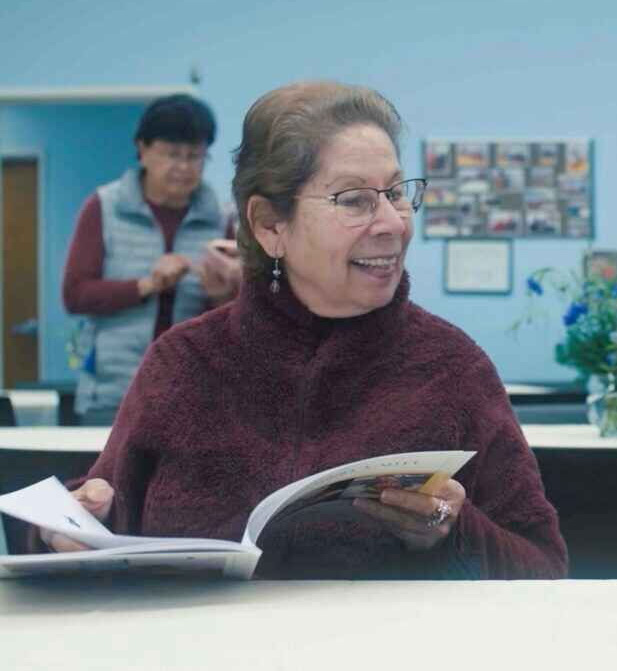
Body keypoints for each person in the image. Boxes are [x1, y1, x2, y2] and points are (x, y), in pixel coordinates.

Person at [36, 82, 567, 580]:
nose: (393, 223)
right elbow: (98, 515)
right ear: (270, 225)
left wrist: (453, 531)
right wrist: (64, 529)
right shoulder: (183, 363)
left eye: (397, 193)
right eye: (355, 199)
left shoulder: (452, 366)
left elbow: (544, 565)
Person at [63, 94, 241, 425]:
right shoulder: (104, 206)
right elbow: (75, 294)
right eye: (173, 154)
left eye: (195, 156)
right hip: (113, 391)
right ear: (143, 150)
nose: (185, 167)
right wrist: (148, 285)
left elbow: (233, 318)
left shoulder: (220, 218)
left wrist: (222, 293)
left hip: (191, 389)